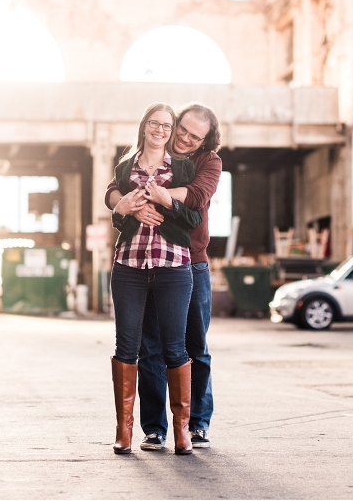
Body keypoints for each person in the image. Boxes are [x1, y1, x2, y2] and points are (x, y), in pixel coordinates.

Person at [106, 103, 222, 451]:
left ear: (205, 140)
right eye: (181, 129)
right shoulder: (150, 151)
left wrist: (157, 196)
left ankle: (196, 424)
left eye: (194, 135)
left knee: (192, 346)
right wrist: (125, 204)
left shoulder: (202, 163)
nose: (184, 138)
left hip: (191, 262)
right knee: (149, 347)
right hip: (138, 263)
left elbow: (197, 199)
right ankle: (153, 428)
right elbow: (114, 186)